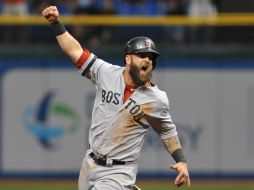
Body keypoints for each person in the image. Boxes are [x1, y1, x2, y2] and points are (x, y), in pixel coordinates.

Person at [42, 6, 190, 190]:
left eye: (151, 58)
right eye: (142, 56)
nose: (148, 61)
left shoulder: (157, 99)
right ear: (128, 59)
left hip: (119, 171)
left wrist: (181, 162)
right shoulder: (106, 73)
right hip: (90, 164)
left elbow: (167, 131)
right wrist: (56, 23)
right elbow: (75, 52)